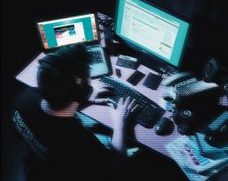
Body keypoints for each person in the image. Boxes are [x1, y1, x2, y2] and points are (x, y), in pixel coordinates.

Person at [11, 44, 138, 181]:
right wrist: (120, 122)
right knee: (135, 146)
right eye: (87, 79)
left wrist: (85, 100)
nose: (89, 83)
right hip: (71, 170)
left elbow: (55, 107)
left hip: (38, 167)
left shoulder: (25, 97)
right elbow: (116, 164)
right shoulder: (76, 138)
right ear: (77, 91)